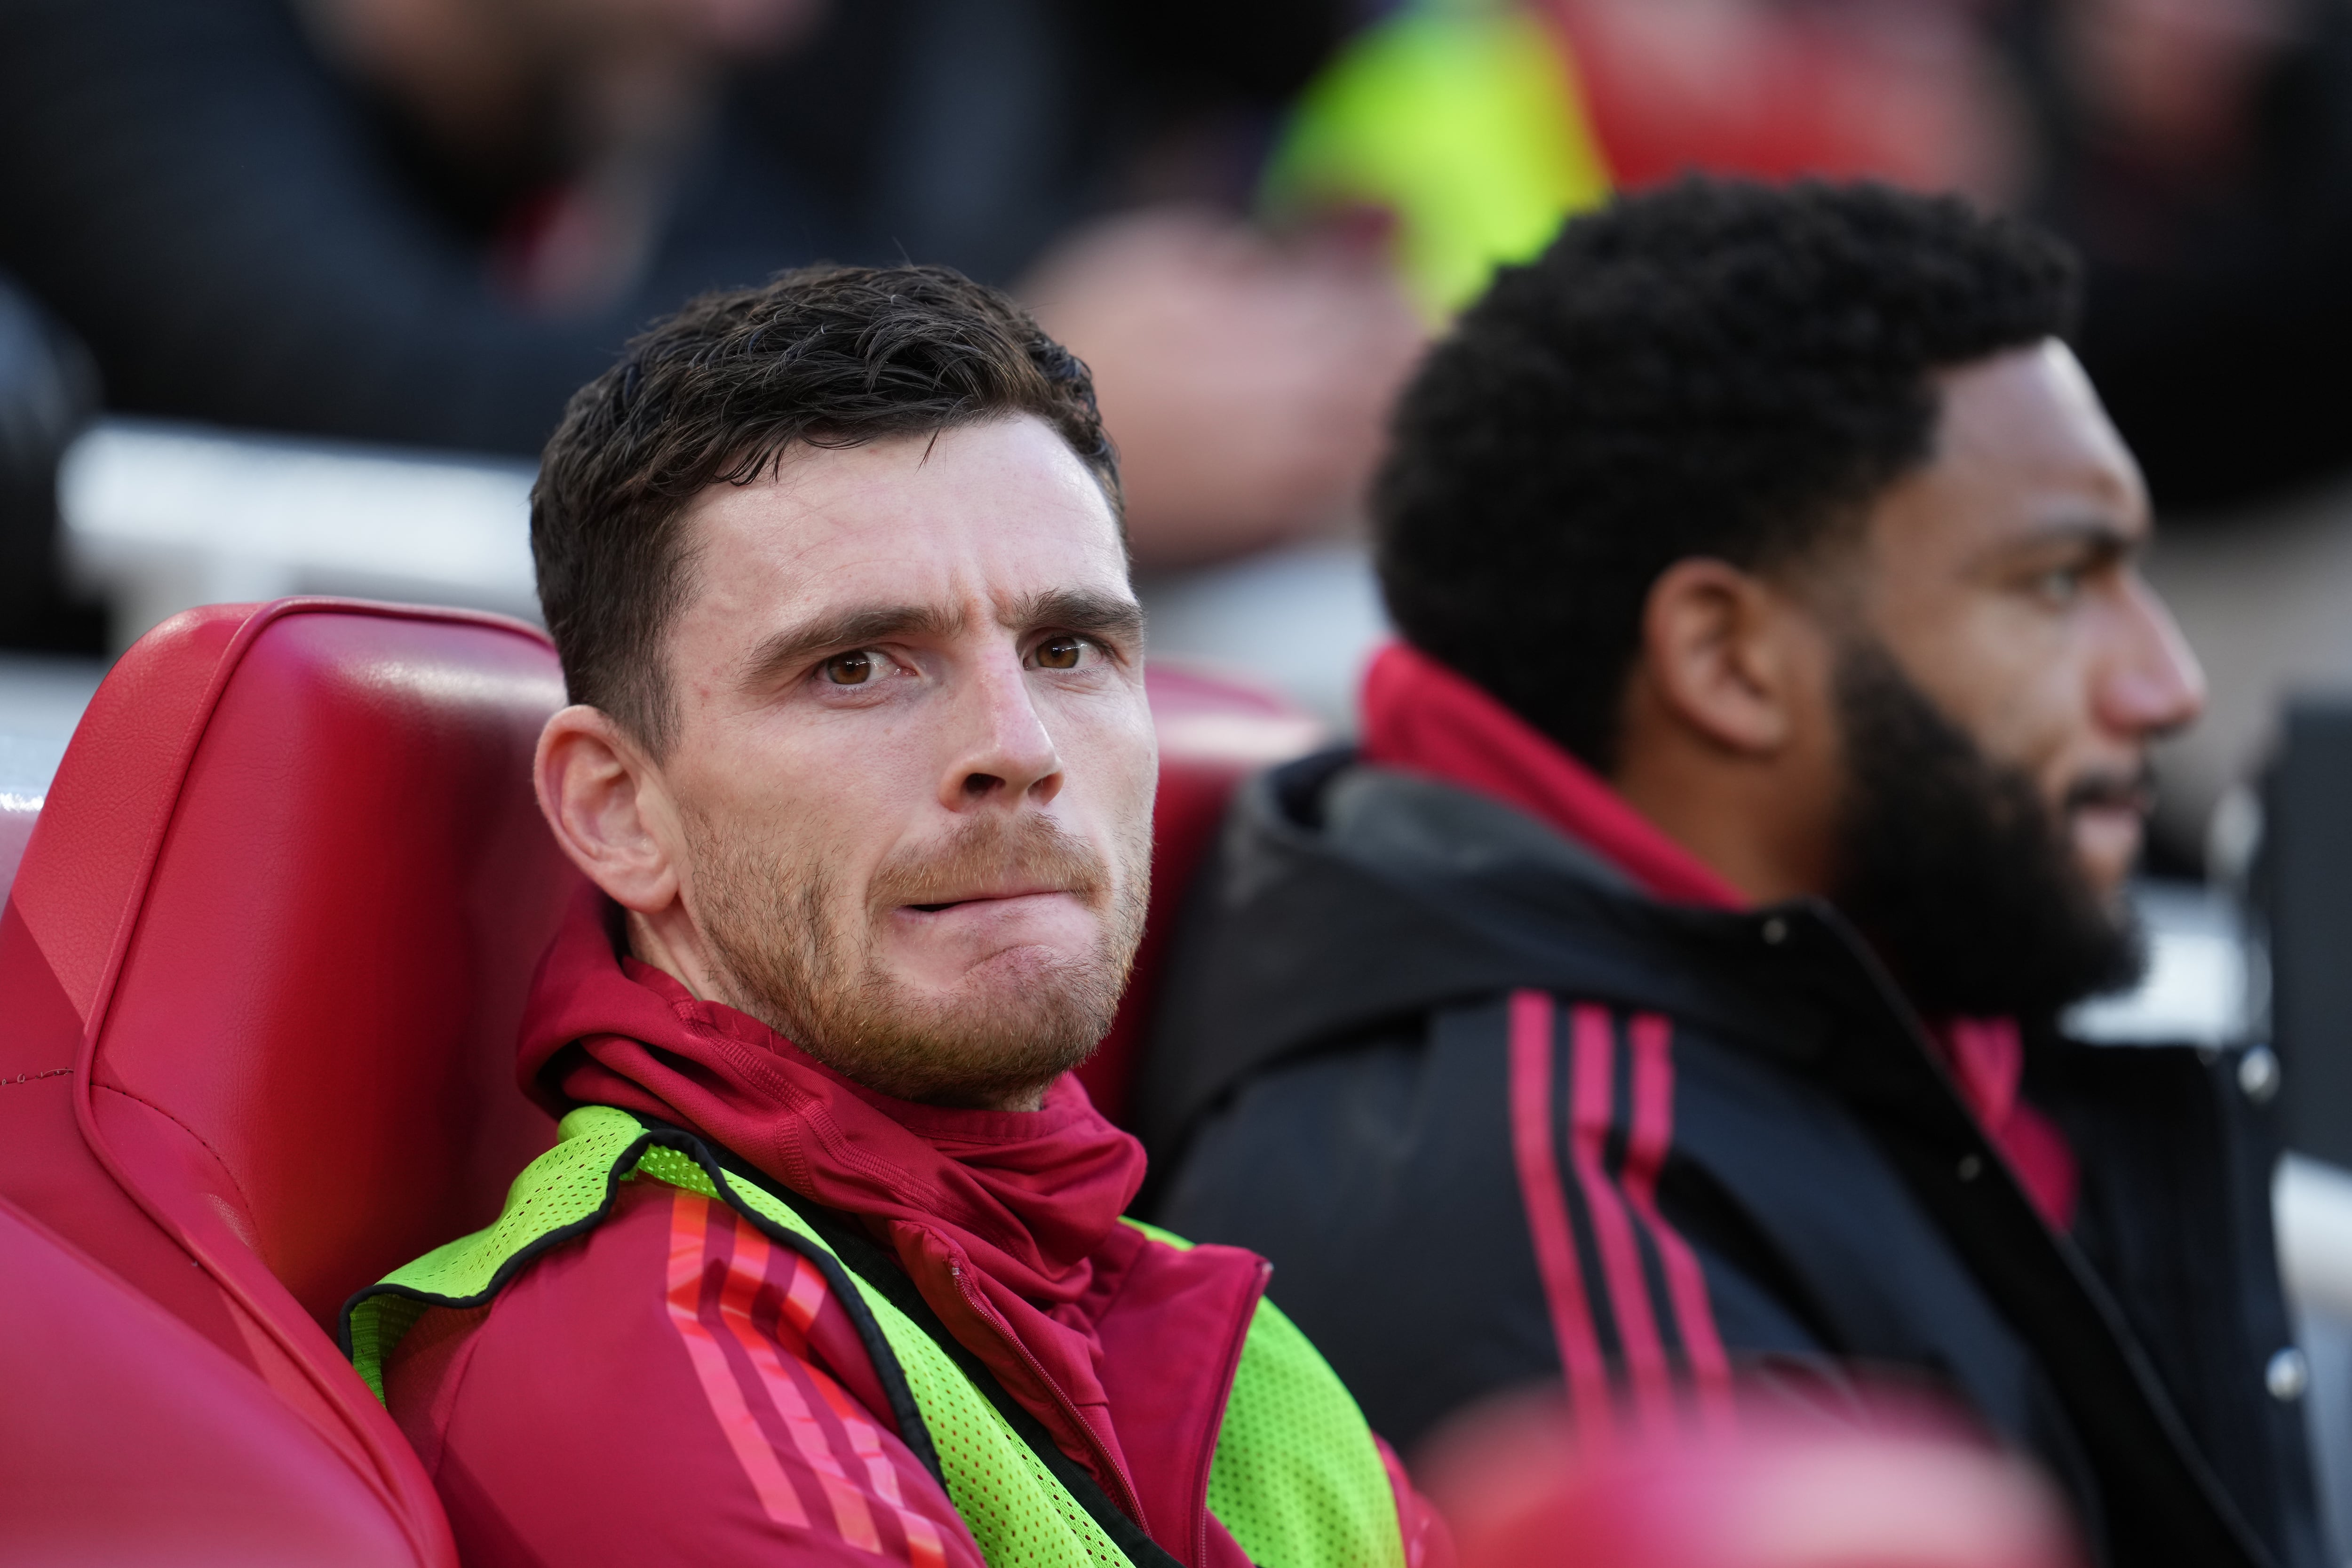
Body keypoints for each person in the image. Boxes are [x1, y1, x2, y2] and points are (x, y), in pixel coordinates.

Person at [1140, 179, 2321, 1568]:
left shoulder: (1900, 973)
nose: (2163, 685)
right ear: (1726, 660)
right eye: (2057, 583)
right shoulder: (1556, 1207)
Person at [339, 264, 1446, 1568]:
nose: (1018, 747)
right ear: (619, 811)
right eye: (857, 667)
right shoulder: (643, 1357)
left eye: (1069, 649)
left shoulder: (1216, 1325)